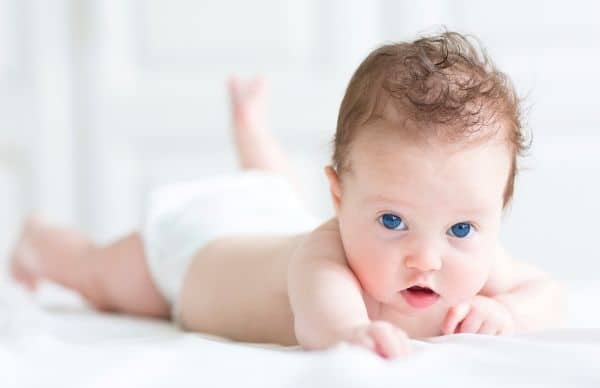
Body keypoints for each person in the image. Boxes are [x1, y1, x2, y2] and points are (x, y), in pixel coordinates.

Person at [9, 31, 565, 359]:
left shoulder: (465, 258)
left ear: (495, 215)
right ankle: (40, 243)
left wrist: (506, 312)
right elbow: (325, 325)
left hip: (273, 216)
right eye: (393, 221)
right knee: (98, 277)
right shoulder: (324, 264)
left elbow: (548, 293)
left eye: (462, 230)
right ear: (341, 198)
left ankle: (252, 132)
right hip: (196, 252)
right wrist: (357, 335)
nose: (428, 257)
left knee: (275, 195)